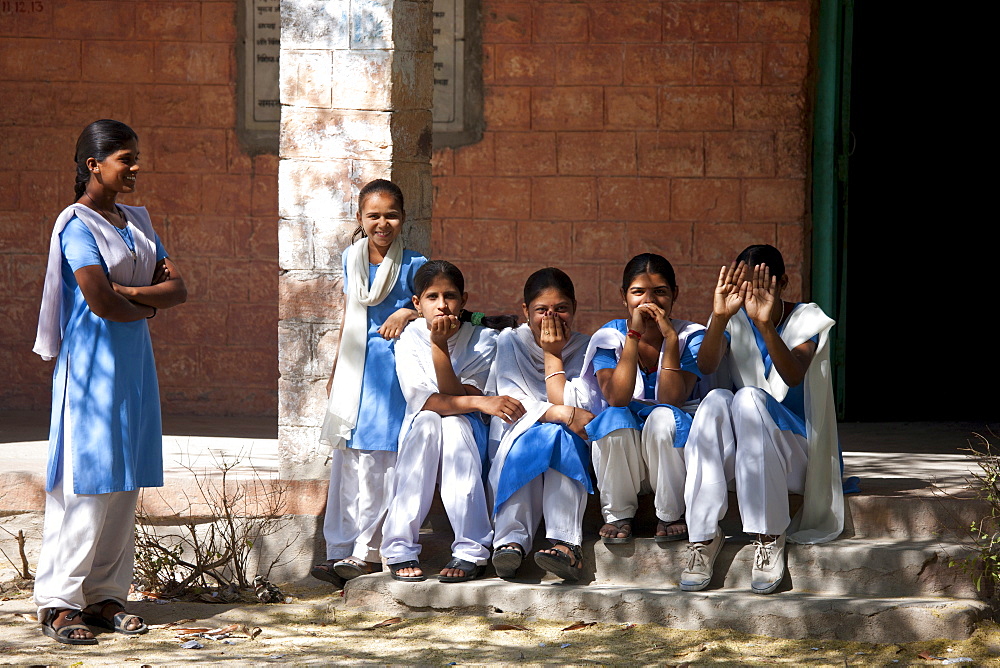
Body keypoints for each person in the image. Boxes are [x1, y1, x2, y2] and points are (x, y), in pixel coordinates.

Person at [32, 119, 187, 645]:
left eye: (136, 155)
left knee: (124, 484)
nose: (136, 166)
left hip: (134, 369)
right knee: (86, 484)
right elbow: (99, 299)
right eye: (125, 157)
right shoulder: (76, 225)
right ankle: (59, 602)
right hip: (93, 371)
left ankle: (104, 596)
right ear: (93, 165)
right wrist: (145, 300)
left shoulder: (136, 221)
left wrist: (134, 295)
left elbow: (178, 288)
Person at [679, 244, 842, 594]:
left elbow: (793, 374)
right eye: (743, 286)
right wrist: (720, 316)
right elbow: (705, 367)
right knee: (715, 400)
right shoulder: (732, 317)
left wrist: (766, 325)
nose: (750, 295)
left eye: (762, 285)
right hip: (749, 458)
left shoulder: (806, 318)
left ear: (783, 282)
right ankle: (703, 538)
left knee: (749, 397)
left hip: (798, 455)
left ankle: (768, 536)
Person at [311, 179, 427, 588]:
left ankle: (369, 551)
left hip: (394, 372)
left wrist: (408, 316)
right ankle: (340, 550)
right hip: (355, 371)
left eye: (391, 215)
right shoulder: (351, 258)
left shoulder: (416, 265)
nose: (383, 223)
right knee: (349, 458)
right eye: (373, 215)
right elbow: (350, 312)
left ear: (403, 219)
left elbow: (438, 309)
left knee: (382, 459)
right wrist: (335, 370)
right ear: (359, 218)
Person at [381, 261, 523, 583]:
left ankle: (471, 548)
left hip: (468, 433)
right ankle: (399, 545)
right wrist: (483, 402)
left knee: (454, 425)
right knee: (431, 420)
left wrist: (440, 346)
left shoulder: (485, 339)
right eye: (432, 297)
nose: (442, 305)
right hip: (423, 430)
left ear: (464, 299)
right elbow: (428, 401)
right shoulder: (408, 338)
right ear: (417, 304)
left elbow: (455, 398)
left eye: (450, 296)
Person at [582, 254, 707, 545]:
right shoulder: (609, 335)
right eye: (638, 292)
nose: (649, 301)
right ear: (623, 296)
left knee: (664, 417)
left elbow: (670, 399)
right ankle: (618, 514)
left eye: (660, 292)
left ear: (675, 294)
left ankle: (670, 512)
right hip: (626, 457)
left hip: (668, 452)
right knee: (614, 419)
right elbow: (616, 396)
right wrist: (634, 335)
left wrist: (671, 341)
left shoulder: (691, 336)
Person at [487, 268, 597, 581]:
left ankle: (565, 544)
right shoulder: (510, 341)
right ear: (525, 311)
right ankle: (510, 540)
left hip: (571, 438)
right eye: (541, 310)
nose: (551, 317)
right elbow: (513, 403)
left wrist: (554, 354)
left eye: (560, 309)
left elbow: (582, 407)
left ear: (574, 308)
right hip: (518, 434)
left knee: (557, 436)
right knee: (537, 436)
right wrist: (559, 413)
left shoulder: (586, 348)